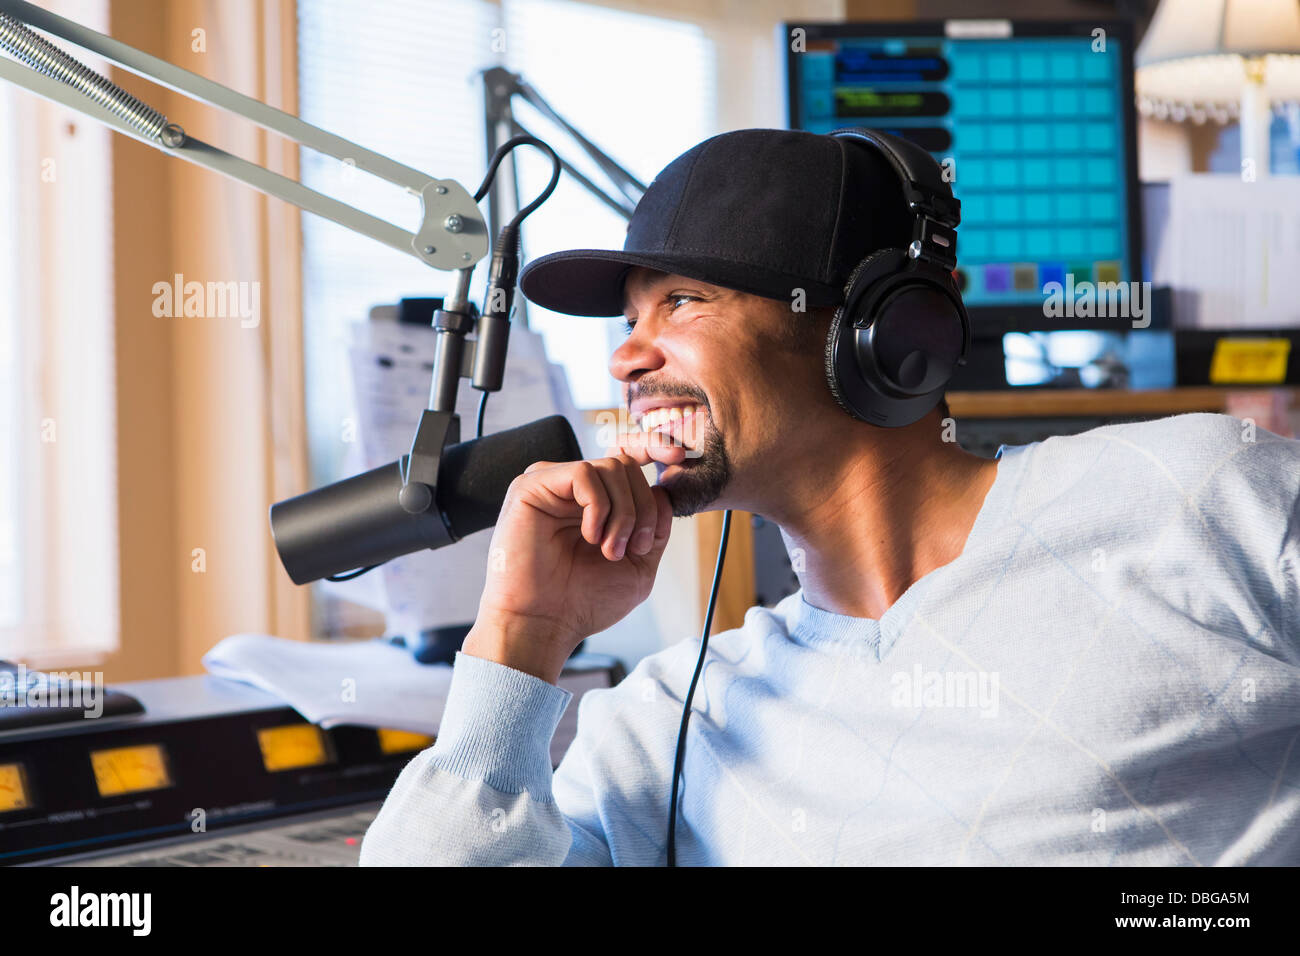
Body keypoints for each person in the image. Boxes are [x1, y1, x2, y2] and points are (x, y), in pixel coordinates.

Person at [359, 128, 1300, 866]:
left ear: (883, 331)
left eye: (683, 302)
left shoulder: (1199, 497)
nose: (626, 357)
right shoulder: (677, 722)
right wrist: (520, 638)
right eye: (629, 319)